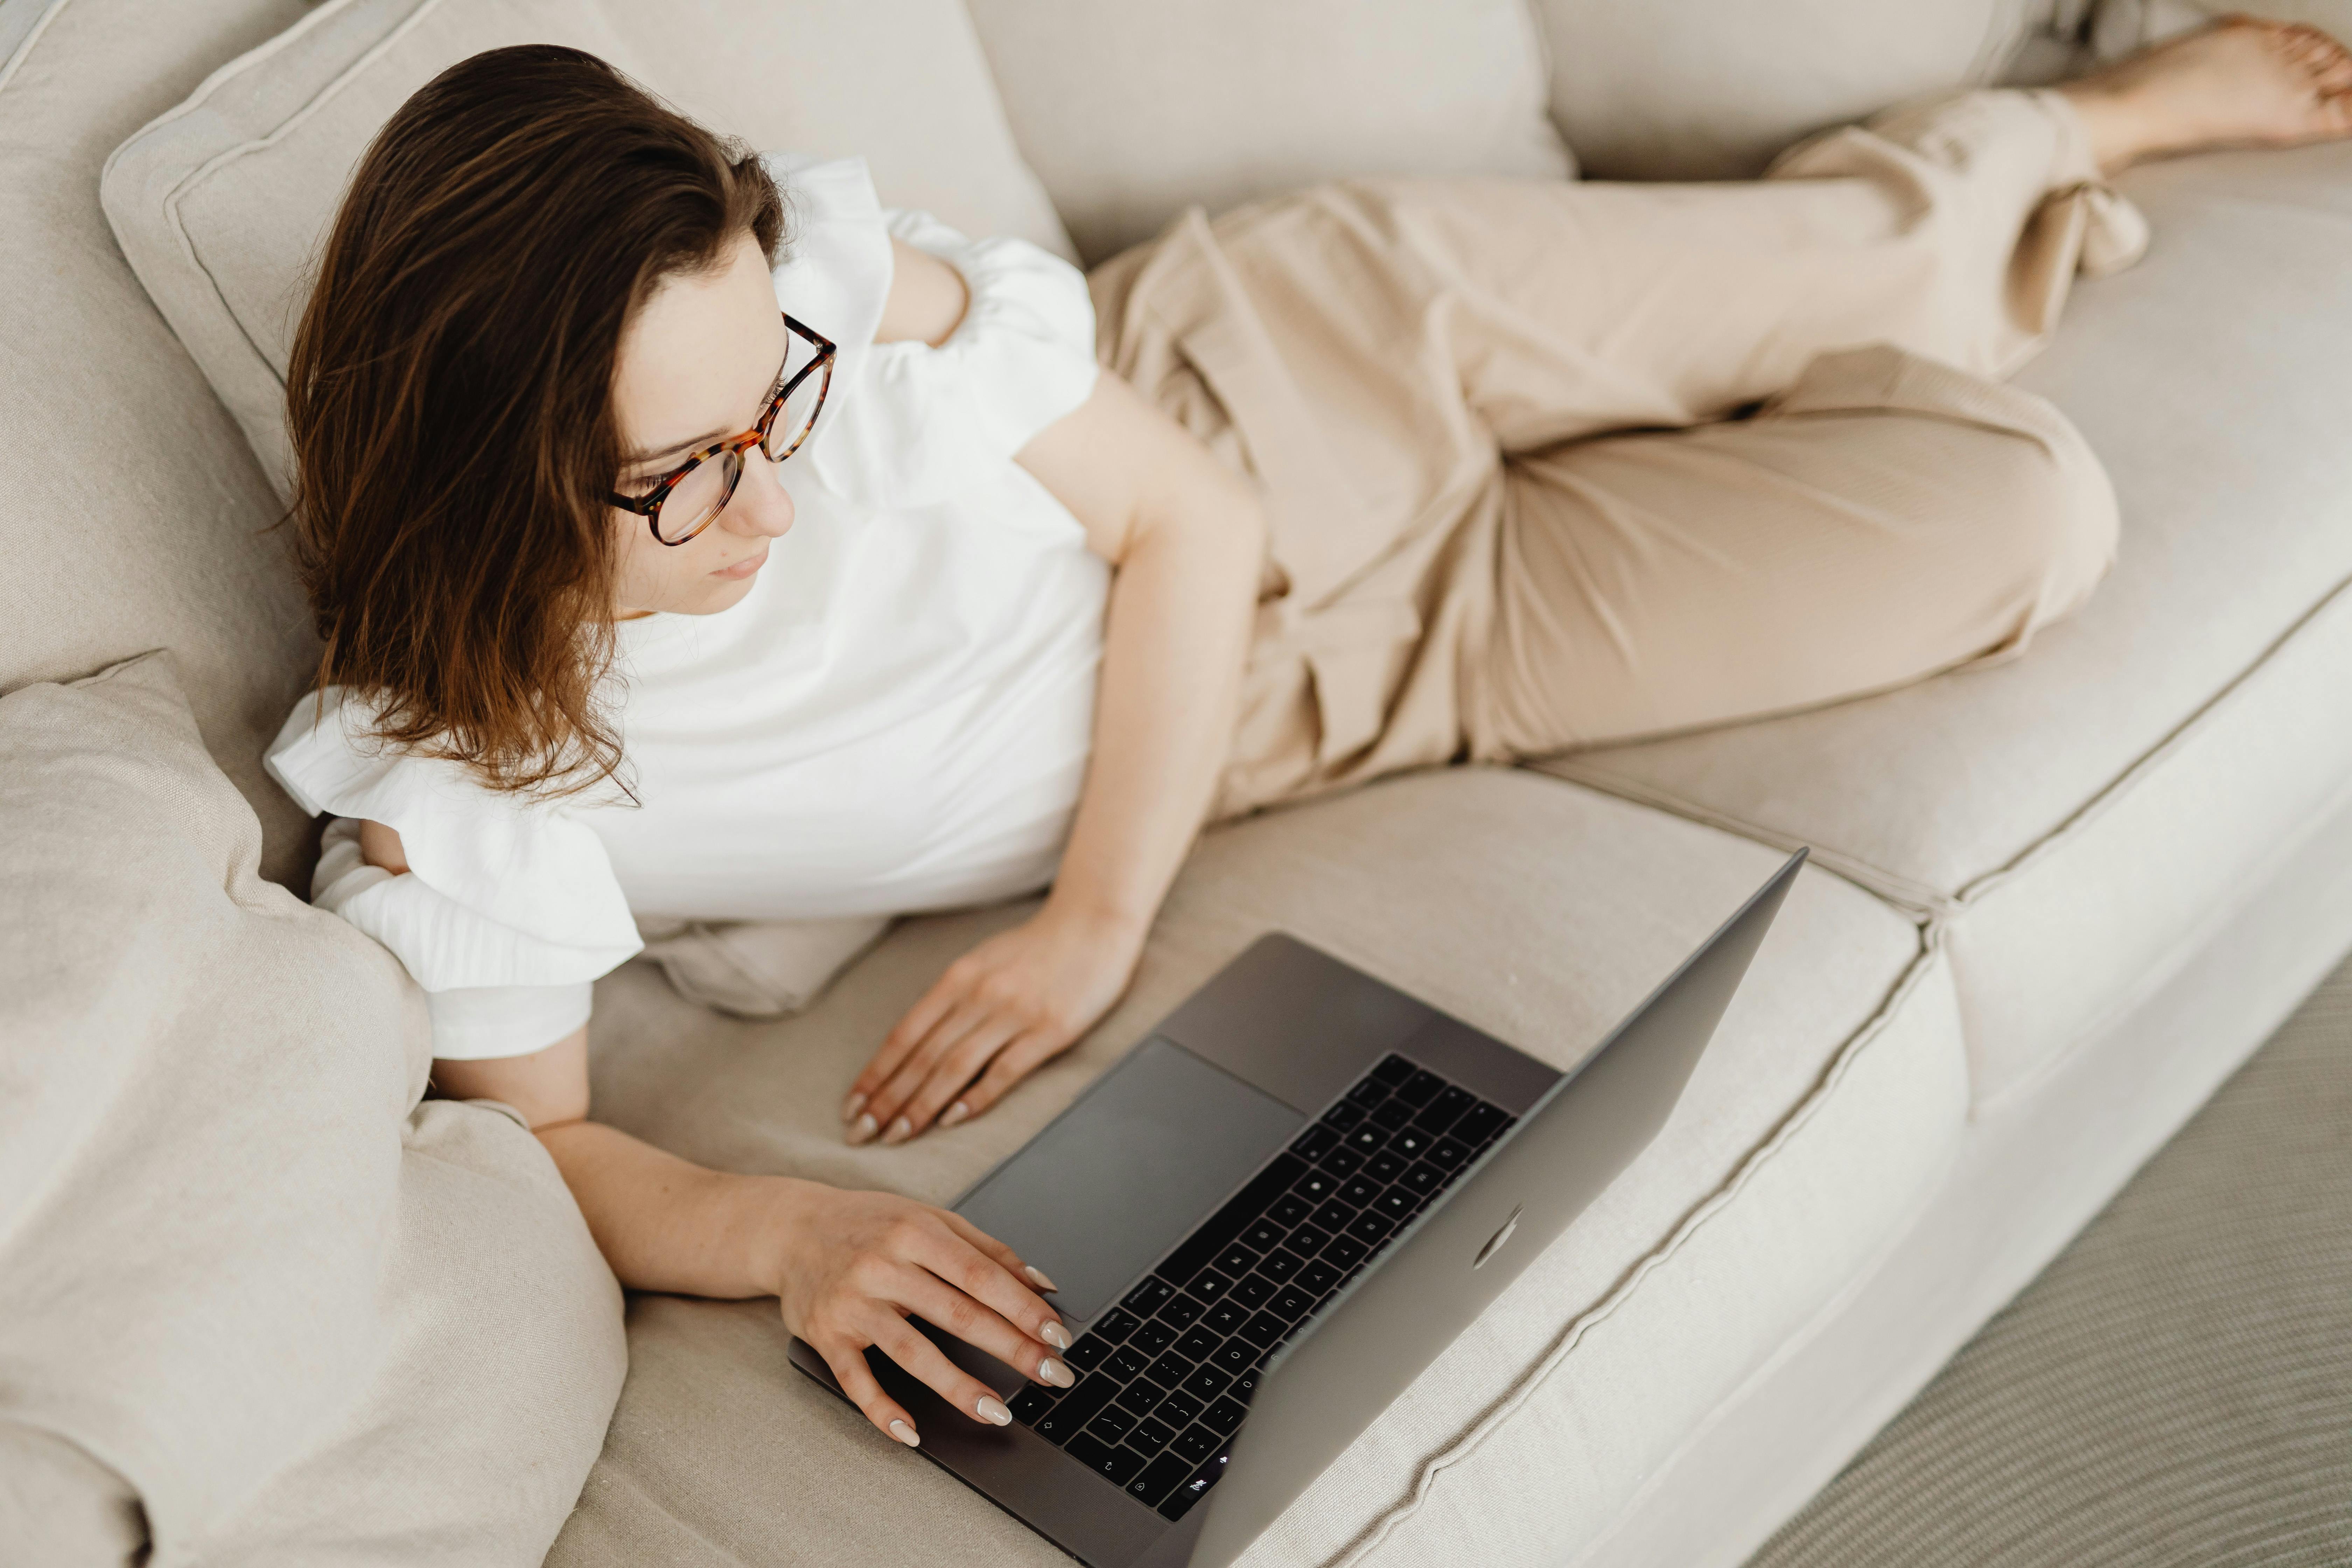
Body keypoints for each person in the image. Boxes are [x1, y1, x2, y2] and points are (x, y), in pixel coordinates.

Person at [265, 20, 2352, 1447]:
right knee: (2020, 519)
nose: (778, 500)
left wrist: (1096, 924)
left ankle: (2078, 130)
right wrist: (789, 1232)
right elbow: (547, 1144)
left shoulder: (804, 290)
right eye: (688, 476)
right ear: (482, 475)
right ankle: (1940, 281)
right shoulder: (456, 798)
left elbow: (1190, 515)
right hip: (1328, 698)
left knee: (1863, 262)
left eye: (774, 408)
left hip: (1284, 367)